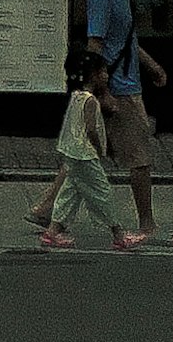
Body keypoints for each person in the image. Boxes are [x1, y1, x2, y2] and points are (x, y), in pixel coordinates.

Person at [85, 0, 168, 239]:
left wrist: (151, 65)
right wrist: (103, 92)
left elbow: (127, 38)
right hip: (118, 88)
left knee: (84, 155)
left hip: (125, 80)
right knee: (139, 159)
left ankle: (46, 212)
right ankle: (147, 224)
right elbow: (96, 45)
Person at [40, 64, 141, 253]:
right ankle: (118, 234)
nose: (106, 76)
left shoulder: (76, 96)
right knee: (101, 191)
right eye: (102, 72)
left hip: (72, 152)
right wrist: (100, 149)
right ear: (93, 75)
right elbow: (91, 129)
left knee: (70, 192)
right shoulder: (91, 100)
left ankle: (52, 232)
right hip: (85, 155)